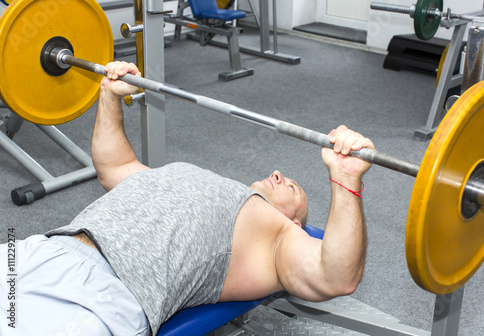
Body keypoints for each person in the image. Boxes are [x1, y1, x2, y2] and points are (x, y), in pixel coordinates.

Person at [0, 62, 374, 336]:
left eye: (292, 187)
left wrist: (344, 178)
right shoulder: (189, 177)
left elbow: (335, 276)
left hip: (103, 294)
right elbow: (115, 166)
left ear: (297, 224)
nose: (278, 174)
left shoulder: (277, 239)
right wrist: (109, 95)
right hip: (45, 249)